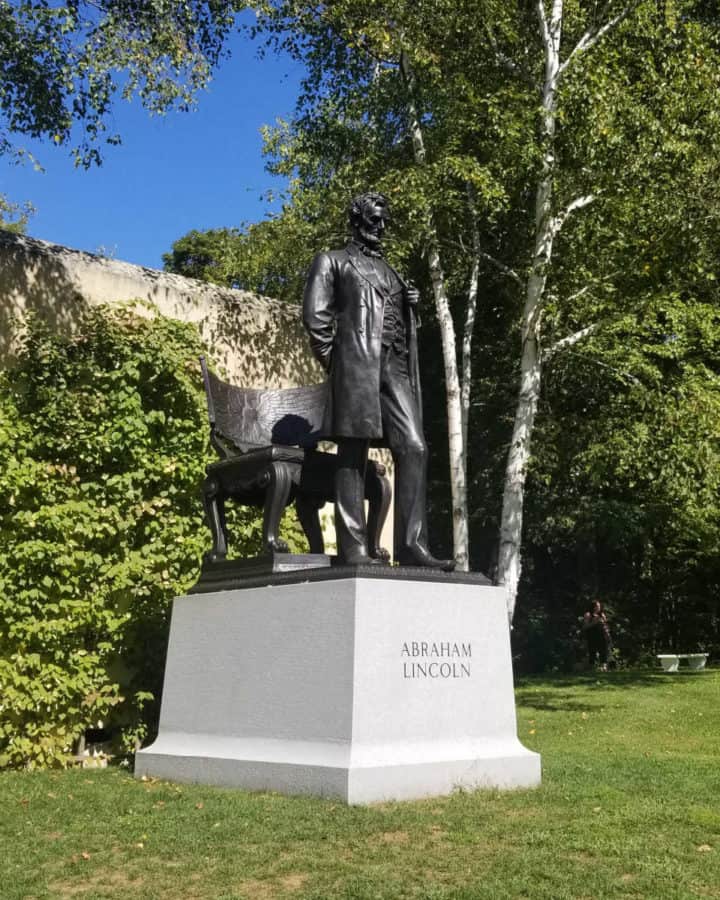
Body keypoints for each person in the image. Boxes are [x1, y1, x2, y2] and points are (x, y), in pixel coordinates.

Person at [303, 191, 454, 570]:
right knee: (353, 452)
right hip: (356, 364)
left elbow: (396, 316)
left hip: (393, 367)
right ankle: (353, 547)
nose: (381, 227)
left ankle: (409, 545)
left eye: (384, 221)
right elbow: (315, 317)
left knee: (415, 446)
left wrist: (409, 303)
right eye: (374, 220)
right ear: (357, 219)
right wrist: (338, 364)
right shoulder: (332, 261)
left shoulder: (390, 271)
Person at [582, 600, 612, 670]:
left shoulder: (602, 615)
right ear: (593, 607)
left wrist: (607, 633)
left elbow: (605, 625)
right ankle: (591, 667)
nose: (599, 607)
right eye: (597, 606)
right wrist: (594, 622)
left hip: (602, 636)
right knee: (592, 651)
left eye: (599, 606)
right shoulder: (588, 614)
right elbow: (585, 627)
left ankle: (604, 667)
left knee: (603, 651)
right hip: (592, 636)